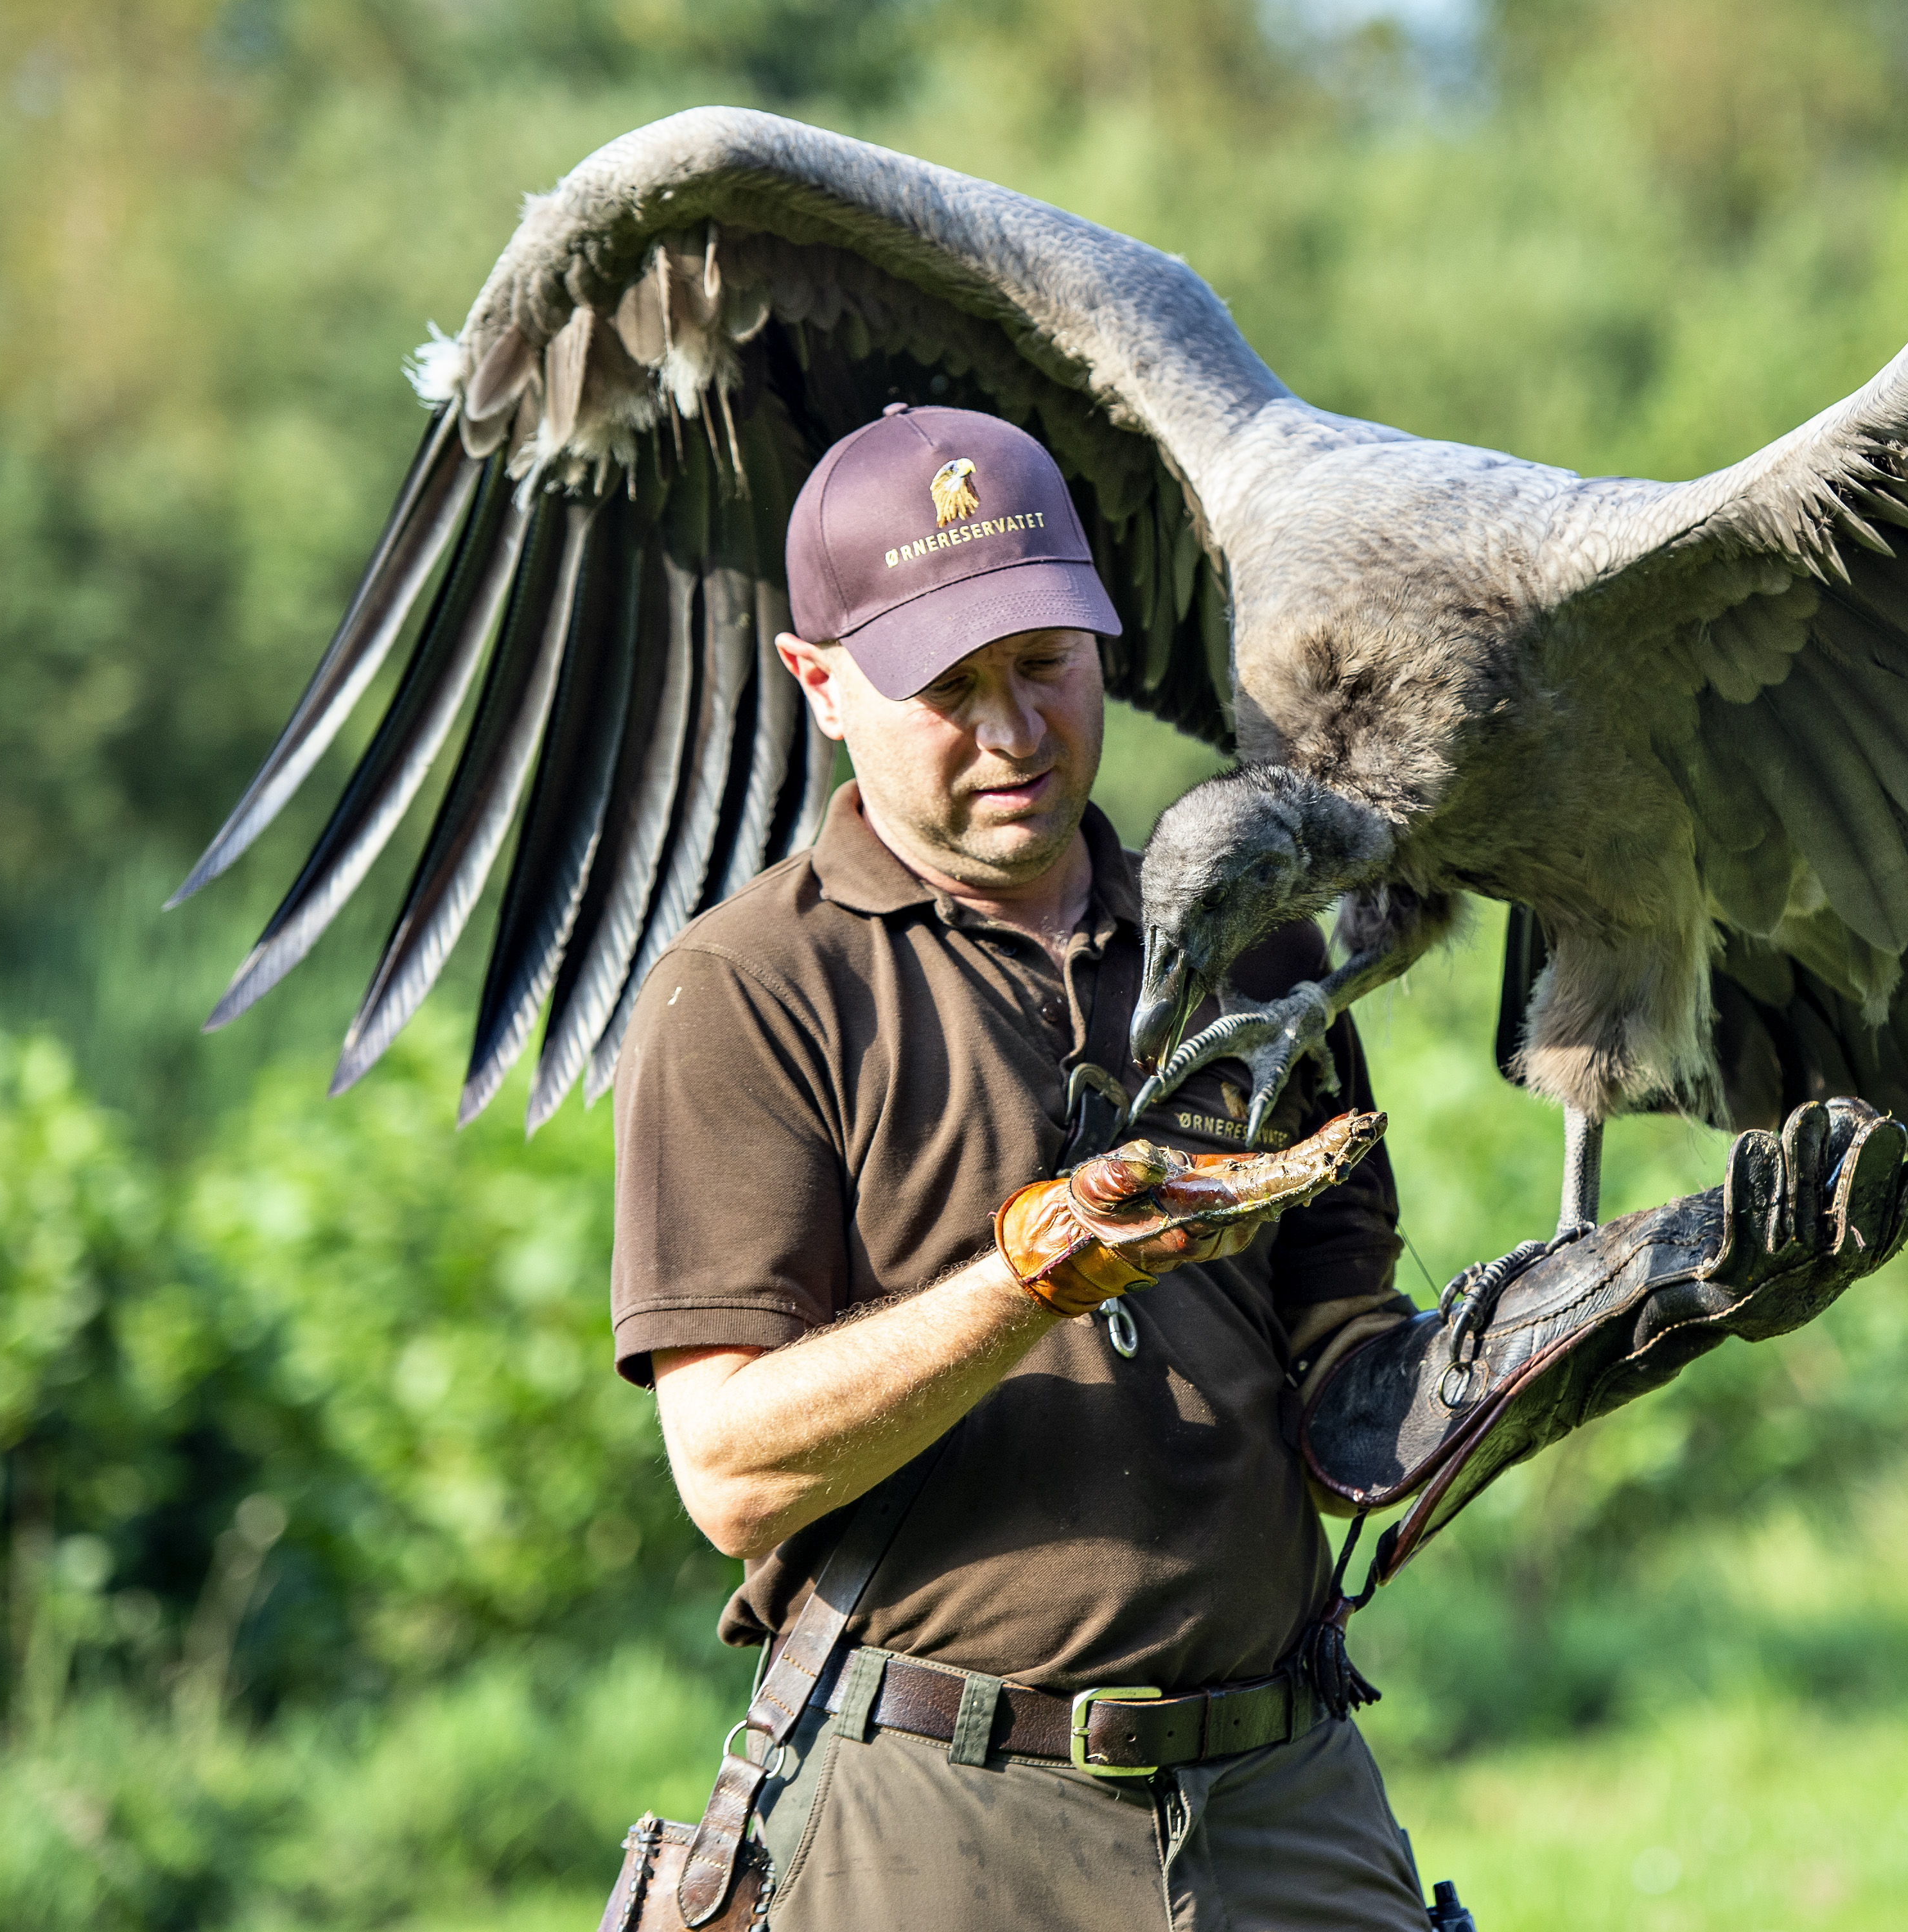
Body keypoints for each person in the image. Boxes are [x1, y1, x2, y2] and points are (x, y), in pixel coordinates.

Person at [610, 403, 1433, 1929]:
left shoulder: (1252, 930)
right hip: (938, 1815)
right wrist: (1034, 1273)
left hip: (1283, 1792)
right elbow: (728, 1468)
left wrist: (1570, 1345)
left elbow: (1344, 1360)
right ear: (820, 683)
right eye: (947, 685)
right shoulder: (749, 985)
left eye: (1045, 663)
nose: (1012, 733)